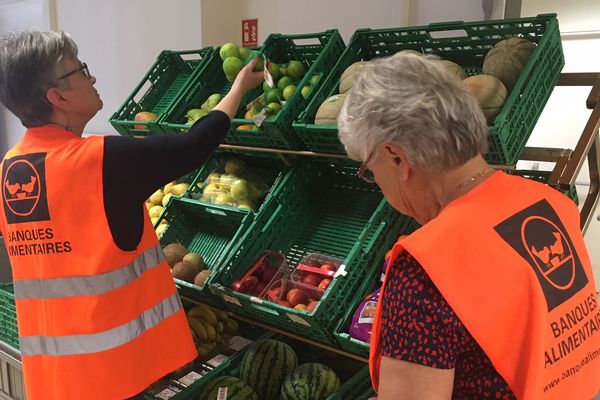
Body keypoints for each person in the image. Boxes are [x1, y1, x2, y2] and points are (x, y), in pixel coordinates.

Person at [0, 30, 263, 400]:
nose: (92, 78)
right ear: (57, 97)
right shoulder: (99, 161)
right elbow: (192, 147)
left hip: (54, 378)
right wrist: (238, 89)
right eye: (80, 71)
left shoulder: (11, 168)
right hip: (112, 374)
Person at [338, 52, 600, 400]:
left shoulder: (426, 271)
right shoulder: (551, 203)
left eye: (369, 170)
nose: (379, 186)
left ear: (396, 157)